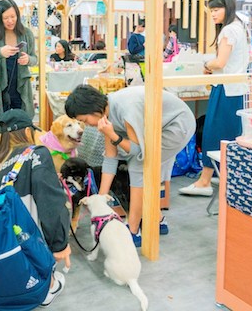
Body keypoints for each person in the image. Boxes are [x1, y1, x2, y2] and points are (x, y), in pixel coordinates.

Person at [65, 85, 196, 247]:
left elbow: (137, 150)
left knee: (136, 166)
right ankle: (157, 220)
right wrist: (100, 199)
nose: (87, 125)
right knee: (134, 165)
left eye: (84, 120)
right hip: (156, 126)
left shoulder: (126, 108)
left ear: (92, 109)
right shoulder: (105, 114)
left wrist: (112, 134)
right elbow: (110, 158)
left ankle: (133, 231)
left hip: (177, 124)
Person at [0, 109, 71, 307]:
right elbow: (50, 203)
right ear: (27, 132)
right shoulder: (36, 153)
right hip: (31, 245)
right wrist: (60, 244)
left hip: (5, 252)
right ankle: (47, 283)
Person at [179, 0, 249, 196]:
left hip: (225, 88)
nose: (213, 14)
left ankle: (204, 181)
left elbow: (220, 63)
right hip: (237, 89)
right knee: (231, 135)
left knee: (213, 134)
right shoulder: (239, 28)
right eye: (211, 11)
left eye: (216, 10)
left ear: (227, 8)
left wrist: (206, 64)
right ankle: (227, 178)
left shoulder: (228, 30)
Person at [0, 0, 38, 118]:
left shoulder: (26, 34)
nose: (10, 21)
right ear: (0, 18)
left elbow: (34, 59)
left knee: (22, 120)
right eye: (6, 18)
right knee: (2, 121)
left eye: (13, 16)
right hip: (0, 85)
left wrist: (28, 59)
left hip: (20, 85)